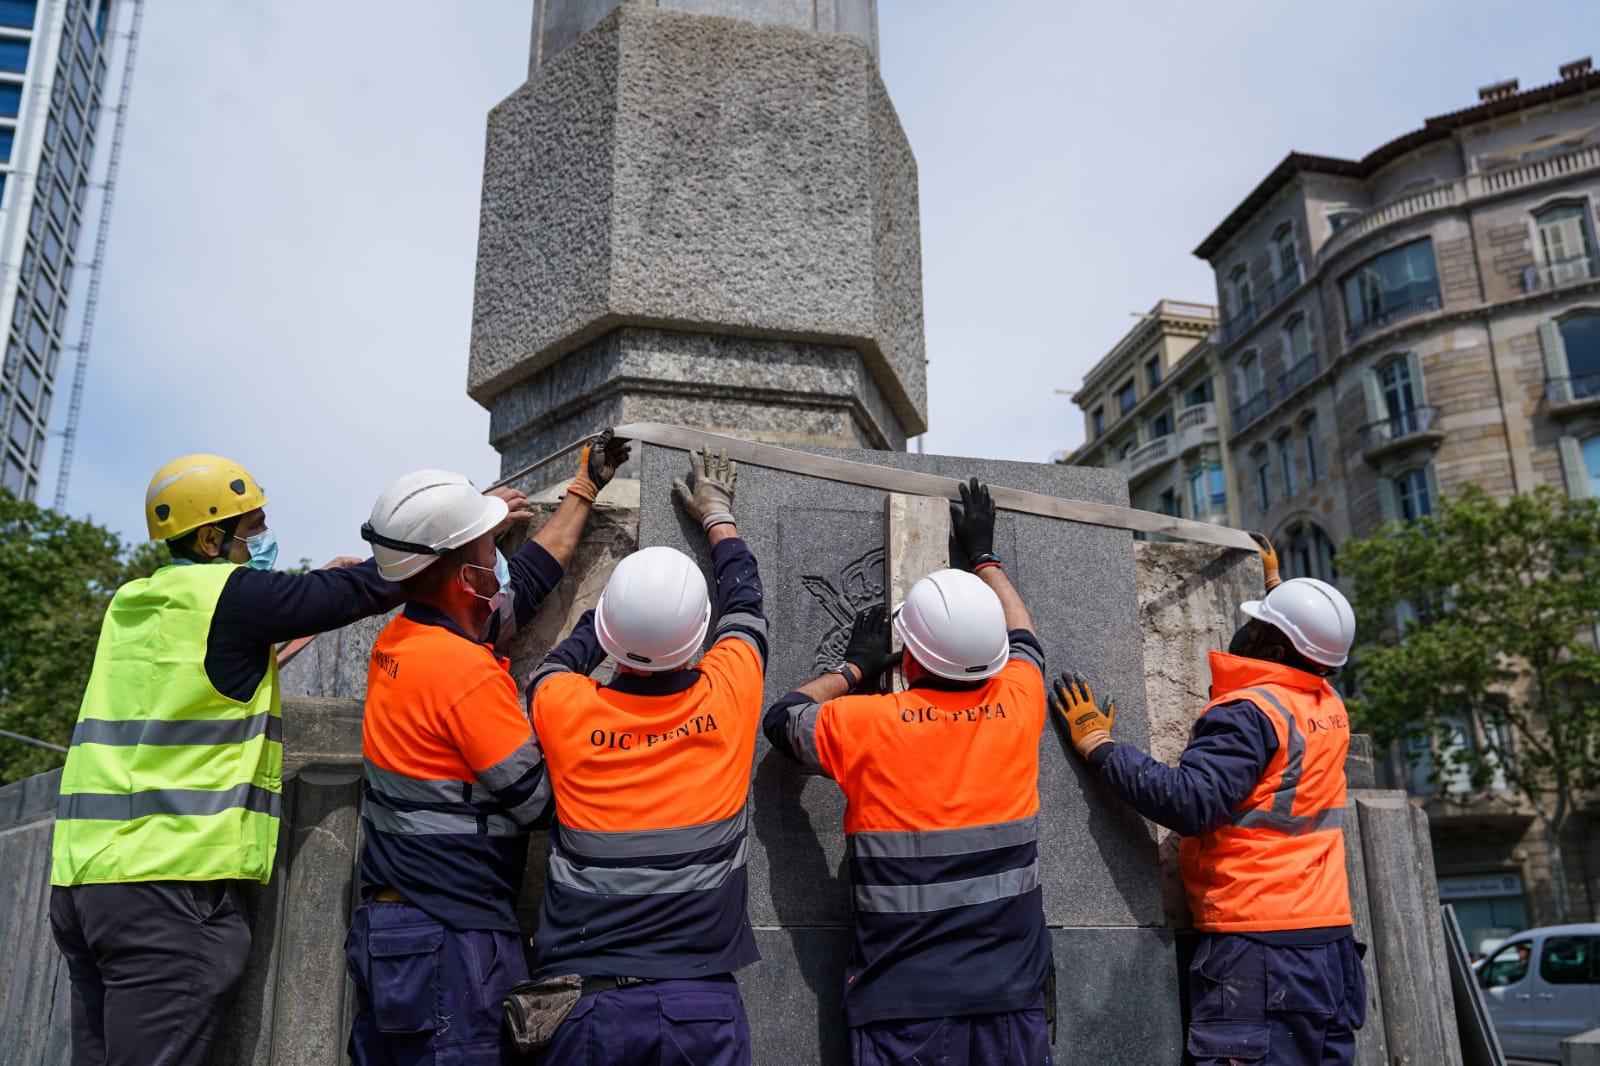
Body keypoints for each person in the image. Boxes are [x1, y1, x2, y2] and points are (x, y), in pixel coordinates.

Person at [47, 452, 458, 1066]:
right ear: (212, 538)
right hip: (166, 890)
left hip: (85, 884)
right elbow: (364, 588)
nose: (262, 539)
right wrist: (466, 533)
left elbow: (217, 669)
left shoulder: (135, 606)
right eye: (253, 528)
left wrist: (286, 610)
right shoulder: (230, 600)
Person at [343, 432, 630, 1065]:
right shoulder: (462, 672)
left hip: (401, 926)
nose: (501, 554)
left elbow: (527, 581)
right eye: (489, 546)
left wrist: (584, 487)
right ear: (461, 573)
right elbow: (538, 804)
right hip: (451, 935)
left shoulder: (405, 635)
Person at [764, 478, 1054, 1066]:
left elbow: (784, 717)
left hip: (903, 1009)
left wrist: (851, 669)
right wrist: (985, 557)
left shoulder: (863, 724)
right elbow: (1026, 641)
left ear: (911, 653)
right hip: (1012, 1000)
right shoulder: (1022, 703)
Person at [1054, 535, 1366, 1065]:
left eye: (1258, 621)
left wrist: (1101, 748)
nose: (1243, 627)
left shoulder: (1249, 713)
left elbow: (1190, 803)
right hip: (1327, 943)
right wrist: (1277, 587)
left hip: (1262, 949)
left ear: (1273, 648)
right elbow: (1306, 654)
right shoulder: (1327, 703)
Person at [521, 447, 767, 1065]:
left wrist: (599, 621)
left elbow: (556, 665)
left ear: (608, 633)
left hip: (583, 1009)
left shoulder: (563, 707)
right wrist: (718, 516)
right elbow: (745, 606)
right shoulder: (731, 694)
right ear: (698, 634)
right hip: (697, 1006)